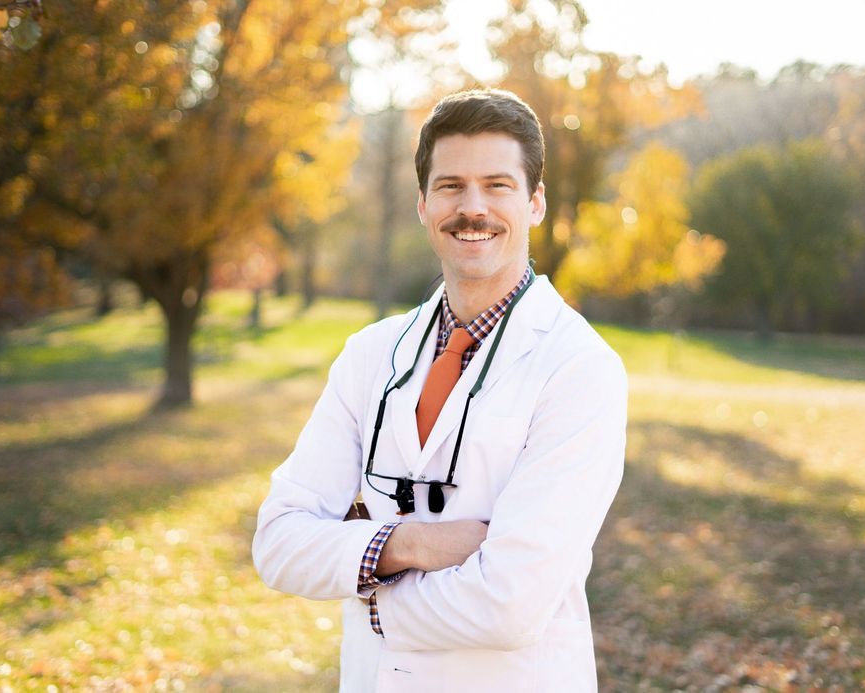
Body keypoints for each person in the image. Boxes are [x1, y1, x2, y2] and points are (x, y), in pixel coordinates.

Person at [252, 88, 628, 692]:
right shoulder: (370, 354)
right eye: (450, 186)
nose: (472, 208)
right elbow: (278, 543)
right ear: (423, 205)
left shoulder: (579, 367)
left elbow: (510, 604)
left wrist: (369, 594)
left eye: (497, 185)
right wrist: (406, 544)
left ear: (535, 204)